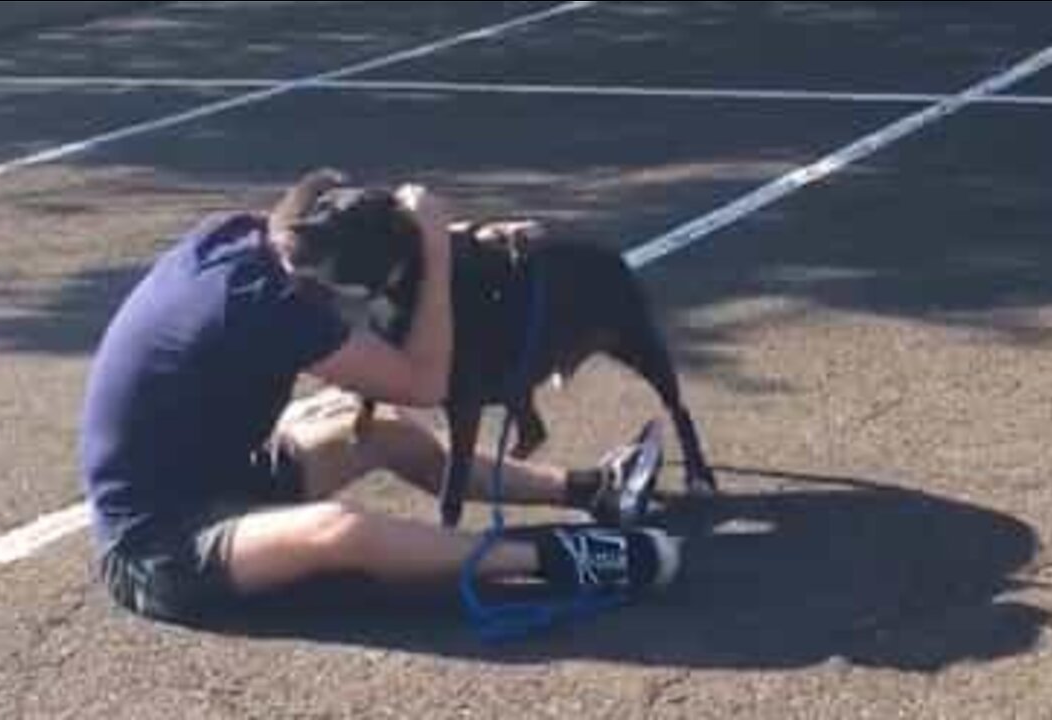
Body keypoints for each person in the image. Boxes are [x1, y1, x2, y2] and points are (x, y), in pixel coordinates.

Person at [79, 169, 681, 624]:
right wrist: (439, 255)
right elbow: (425, 382)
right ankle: (555, 558)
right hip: (155, 549)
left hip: (218, 478)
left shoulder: (242, 242)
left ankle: (589, 490)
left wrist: (467, 236)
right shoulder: (271, 309)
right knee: (342, 532)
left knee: (376, 429)